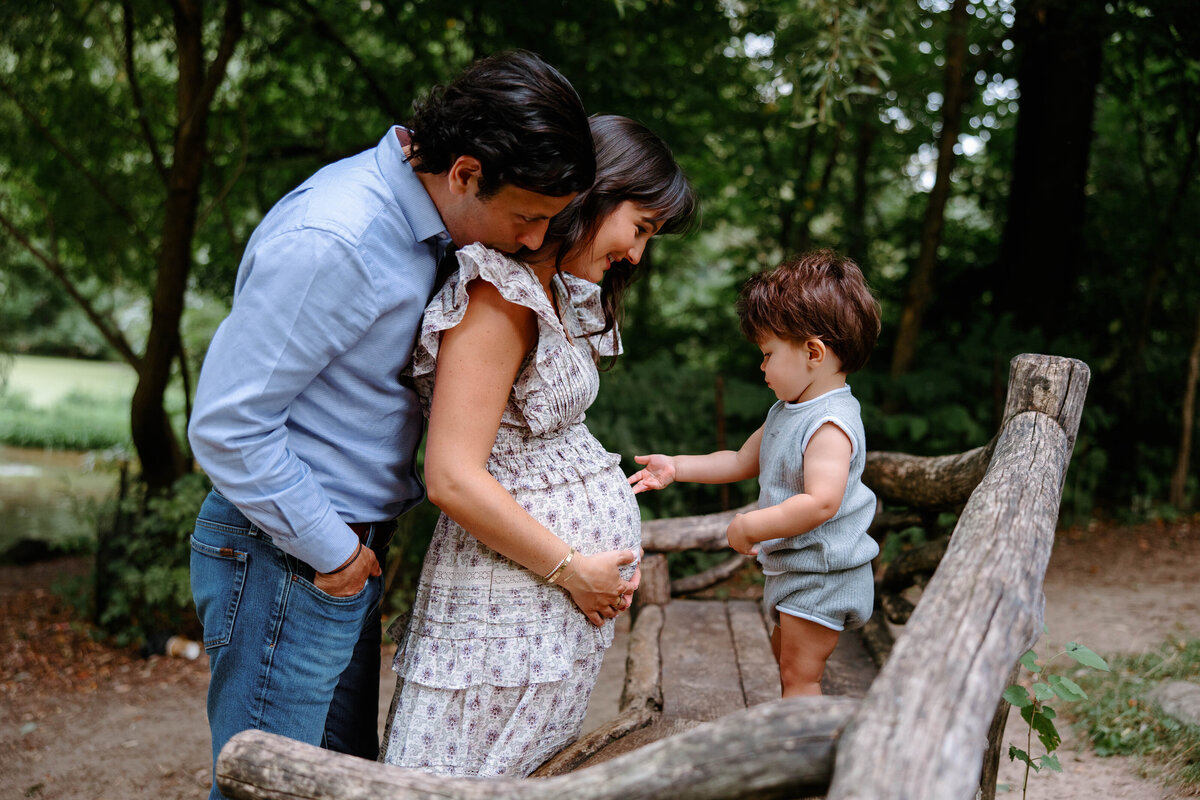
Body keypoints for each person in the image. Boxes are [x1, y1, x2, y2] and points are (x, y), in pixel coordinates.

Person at [186, 51, 605, 799]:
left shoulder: (430, 221)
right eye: (530, 218)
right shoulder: (336, 237)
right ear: (467, 173)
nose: (538, 241)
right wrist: (334, 554)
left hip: (337, 554)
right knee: (271, 790)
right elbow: (228, 426)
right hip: (290, 555)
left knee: (337, 783)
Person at [382, 114, 698, 777]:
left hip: (541, 621)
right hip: (503, 614)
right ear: (599, 191)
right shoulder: (498, 298)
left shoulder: (552, 293)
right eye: (639, 228)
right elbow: (451, 477)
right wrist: (571, 569)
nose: (638, 255)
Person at [628, 250, 881, 697]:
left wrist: (750, 525)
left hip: (822, 574)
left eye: (767, 355)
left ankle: (799, 753)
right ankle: (798, 737)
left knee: (799, 676)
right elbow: (743, 460)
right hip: (795, 570)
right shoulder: (790, 409)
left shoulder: (830, 424)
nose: (761, 367)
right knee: (785, 656)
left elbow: (822, 502)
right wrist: (677, 467)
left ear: (813, 353)